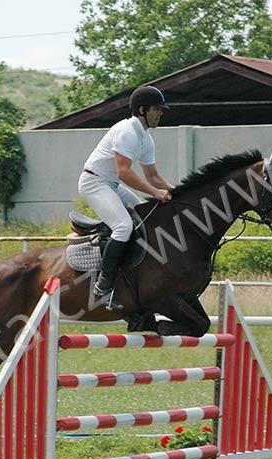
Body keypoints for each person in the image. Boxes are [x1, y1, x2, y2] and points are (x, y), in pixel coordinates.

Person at [78, 85, 173, 311]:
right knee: (123, 227)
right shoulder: (127, 131)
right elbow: (124, 172)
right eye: (157, 109)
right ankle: (102, 288)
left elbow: (153, 176)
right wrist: (155, 193)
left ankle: (132, 278)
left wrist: (175, 191)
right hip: (94, 183)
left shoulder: (146, 138)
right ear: (142, 110)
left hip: (111, 184)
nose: (161, 113)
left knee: (143, 219)